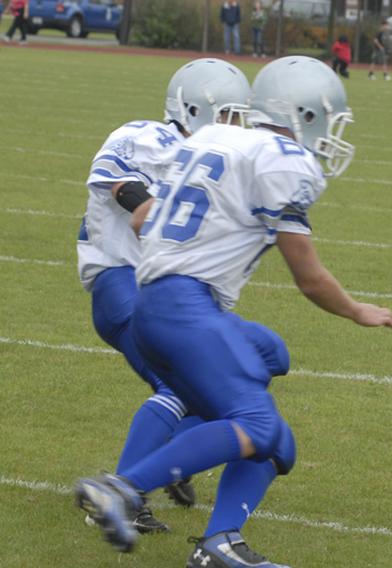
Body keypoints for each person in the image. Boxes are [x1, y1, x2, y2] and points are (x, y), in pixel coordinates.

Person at [74, 56, 392, 567]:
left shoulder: (207, 141)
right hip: (182, 307)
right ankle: (123, 489)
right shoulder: (284, 161)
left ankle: (220, 542)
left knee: (276, 431)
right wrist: (356, 311)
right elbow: (308, 277)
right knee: (256, 423)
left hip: (165, 303)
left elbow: (152, 218)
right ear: (305, 115)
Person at [76, 57, 253, 535]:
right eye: (229, 114)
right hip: (122, 281)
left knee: (210, 394)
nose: (236, 126)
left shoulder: (214, 158)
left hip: (162, 292)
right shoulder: (148, 135)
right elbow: (116, 180)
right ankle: (121, 494)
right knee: (180, 386)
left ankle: (167, 465)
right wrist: (150, 207)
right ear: (194, 106)